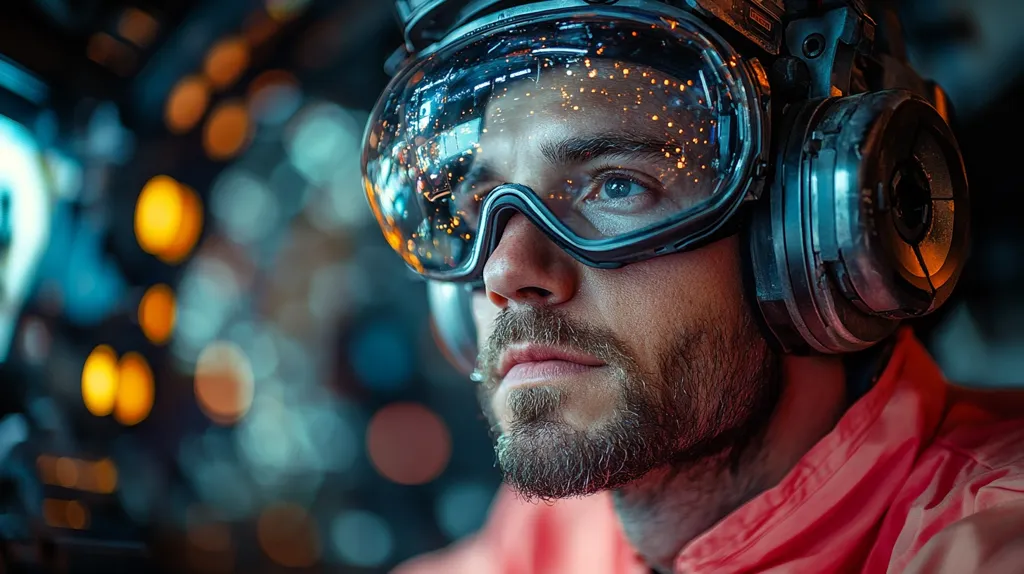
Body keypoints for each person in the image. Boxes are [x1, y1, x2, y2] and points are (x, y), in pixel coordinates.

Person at [361, 0, 1024, 572]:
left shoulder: (988, 539)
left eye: (616, 186)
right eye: (480, 209)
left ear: (809, 221)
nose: (504, 272)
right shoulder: (565, 518)